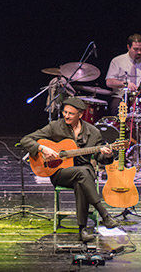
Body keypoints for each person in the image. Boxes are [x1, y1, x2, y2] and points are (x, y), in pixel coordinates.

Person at [20, 97, 119, 242]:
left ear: (80, 115)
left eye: (71, 113)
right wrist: (43, 148)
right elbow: (26, 140)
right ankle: (104, 215)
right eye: (65, 112)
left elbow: (100, 158)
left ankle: (83, 230)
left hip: (84, 172)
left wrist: (108, 155)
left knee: (82, 177)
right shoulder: (55, 127)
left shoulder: (93, 132)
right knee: (82, 174)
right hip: (60, 172)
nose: (66, 116)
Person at [105, 33, 141, 115]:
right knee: (115, 107)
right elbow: (109, 82)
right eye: (136, 49)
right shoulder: (117, 61)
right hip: (122, 98)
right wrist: (125, 84)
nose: (139, 52)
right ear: (128, 47)